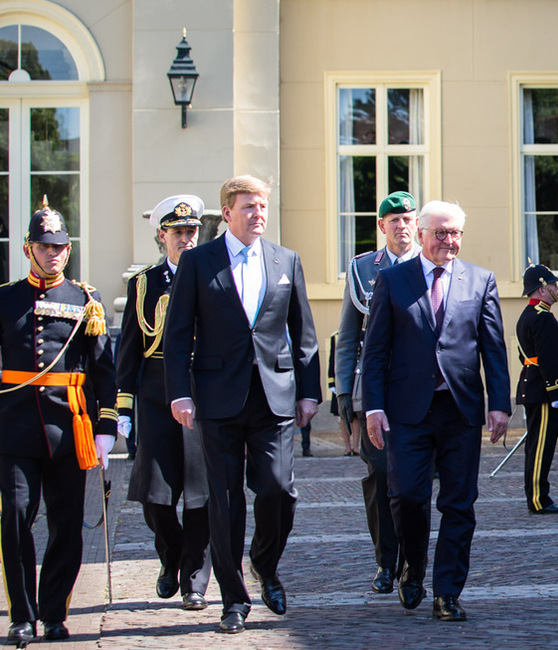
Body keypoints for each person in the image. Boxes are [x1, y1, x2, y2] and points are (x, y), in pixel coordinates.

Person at [163, 175, 322, 634]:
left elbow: (304, 333)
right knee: (225, 501)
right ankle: (234, 600)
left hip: (273, 396)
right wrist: (180, 392)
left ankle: (264, 563)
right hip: (216, 397)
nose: (258, 214)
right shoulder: (198, 261)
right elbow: (177, 336)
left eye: (263, 206)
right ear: (228, 212)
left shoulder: (285, 259)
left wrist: (310, 391)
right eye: (249, 206)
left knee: (277, 490)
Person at [361, 200, 510, 622]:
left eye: (456, 233)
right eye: (441, 233)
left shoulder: (479, 280)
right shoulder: (393, 281)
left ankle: (447, 592)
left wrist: (499, 404)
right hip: (407, 411)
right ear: (422, 234)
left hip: (460, 411)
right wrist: (372, 407)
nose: (449, 241)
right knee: (407, 495)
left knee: (460, 503)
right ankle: (412, 567)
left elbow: (493, 349)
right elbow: (375, 352)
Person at [0, 203, 117, 644]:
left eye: (60, 247)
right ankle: (21, 615)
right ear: (29, 248)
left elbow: (103, 369)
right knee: (14, 518)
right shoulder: (5, 298)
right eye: (45, 247)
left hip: (69, 430)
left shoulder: (86, 300)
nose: (53, 254)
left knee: (66, 526)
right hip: (13, 427)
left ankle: (53, 612)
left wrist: (106, 427)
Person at [115, 195, 210, 610]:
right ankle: (171, 555)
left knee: (201, 495)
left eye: (192, 232)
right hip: (156, 394)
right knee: (155, 495)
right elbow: (129, 351)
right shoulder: (144, 284)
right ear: (162, 236)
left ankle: (194, 580)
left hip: (203, 391)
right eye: (179, 233)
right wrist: (121, 408)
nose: (187, 240)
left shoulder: (213, 275)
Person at [335, 191, 419, 595]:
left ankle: (412, 562)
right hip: (375, 390)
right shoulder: (363, 268)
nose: (401, 226)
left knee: (415, 484)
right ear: (382, 226)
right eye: (394, 220)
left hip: (421, 390)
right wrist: (343, 395)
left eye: (407, 219)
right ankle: (387, 560)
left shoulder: (432, 262)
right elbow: (348, 337)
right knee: (382, 476)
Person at [515, 263, 558, 514]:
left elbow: (525, 356)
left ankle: (539, 495)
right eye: (553, 284)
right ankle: (539, 498)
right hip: (544, 391)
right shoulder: (541, 317)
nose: (556, 288)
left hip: (536, 388)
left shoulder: (531, 315)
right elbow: (547, 359)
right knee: (541, 446)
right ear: (541, 288)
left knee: (538, 445)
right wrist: (556, 392)